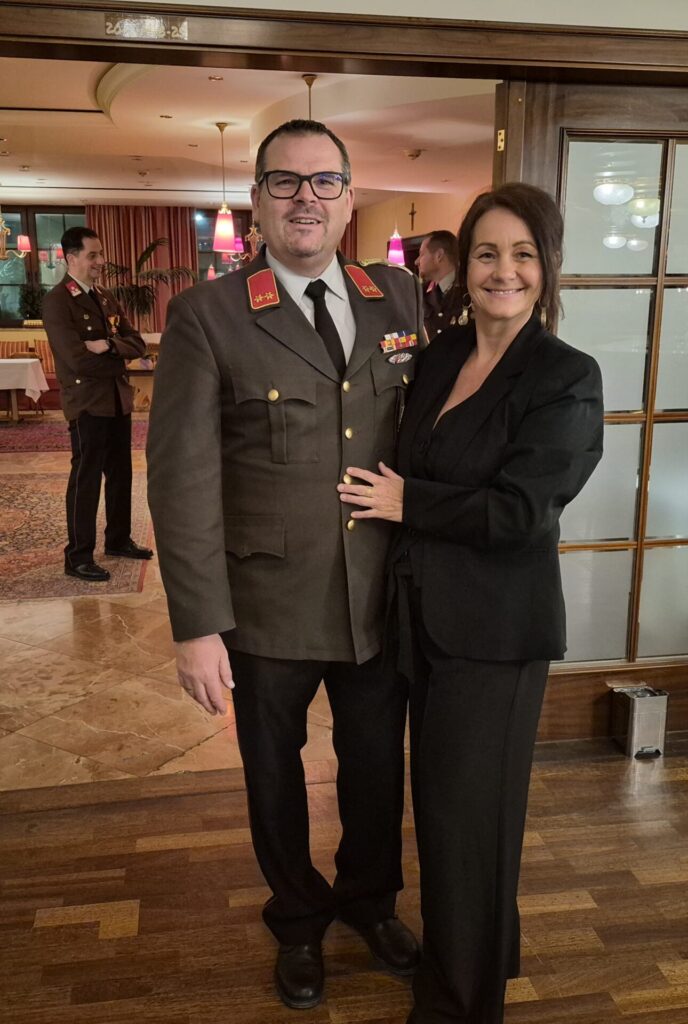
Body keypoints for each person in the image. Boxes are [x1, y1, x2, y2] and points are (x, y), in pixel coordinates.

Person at [147, 119, 423, 1010]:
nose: (307, 197)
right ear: (258, 199)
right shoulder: (210, 315)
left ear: (348, 196)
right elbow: (182, 480)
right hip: (266, 602)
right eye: (286, 181)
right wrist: (198, 625)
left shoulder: (398, 297)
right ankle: (298, 919)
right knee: (275, 774)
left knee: (376, 767)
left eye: (324, 180)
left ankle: (370, 902)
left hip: (378, 596)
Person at [338, 183, 604, 1024]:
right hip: (421, 619)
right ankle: (483, 954)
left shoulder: (566, 376)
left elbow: (523, 511)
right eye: (487, 252)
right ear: (465, 264)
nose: (503, 270)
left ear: (547, 267)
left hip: (496, 633)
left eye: (523, 254)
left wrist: (408, 502)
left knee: (466, 824)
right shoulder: (443, 353)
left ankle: (458, 1003)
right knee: (450, 817)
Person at [42, 226, 153, 582]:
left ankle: (118, 540)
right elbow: (76, 360)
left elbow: (137, 343)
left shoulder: (104, 297)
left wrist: (108, 345)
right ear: (71, 258)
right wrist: (118, 357)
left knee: (121, 474)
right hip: (87, 403)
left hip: (117, 400)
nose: (101, 261)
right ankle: (78, 556)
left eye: (101, 254)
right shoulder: (58, 301)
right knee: (86, 478)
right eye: (93, 255)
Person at [415, 230, 464, 339]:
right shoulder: (419, 293)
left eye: (422, 254)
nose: (416, 261)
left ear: (439, 255)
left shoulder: (469, 290)